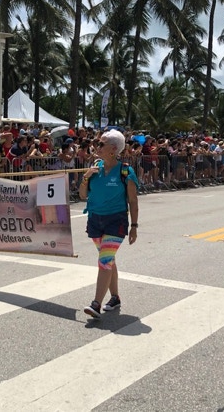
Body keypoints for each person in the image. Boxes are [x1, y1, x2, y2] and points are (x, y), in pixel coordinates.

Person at [78, 129, 139, 319]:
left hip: (116, 221)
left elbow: (133, 201)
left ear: (113, 149)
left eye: (101, 144)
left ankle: (96, 304)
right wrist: (86, 177)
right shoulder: (95, 168)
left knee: (104, 260)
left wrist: (134, 226)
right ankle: (115, 298)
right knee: (108, 260)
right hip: (95, 220)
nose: (96, 146)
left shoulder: (125, 172)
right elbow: (82, 195)